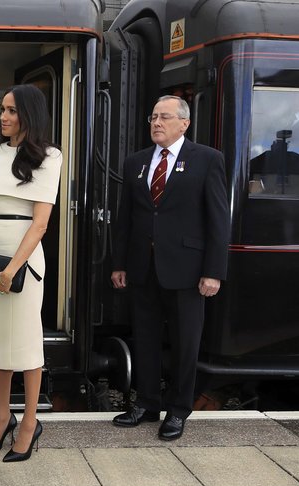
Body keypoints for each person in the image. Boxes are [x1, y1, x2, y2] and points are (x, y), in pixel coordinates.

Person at [111, 95, 229, 440]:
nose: (156, 123)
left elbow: (218, 220)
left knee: (185, 342)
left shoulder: (207, 160)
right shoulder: (136, 162)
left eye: (164, 117)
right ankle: (147, 403)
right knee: (144, 338)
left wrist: (214, 271)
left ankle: (178, 410)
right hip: (142, 267)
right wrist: (120, 263)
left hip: (188, 270)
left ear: (184, 123)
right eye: (153, 117)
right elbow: (126, 220)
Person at [0, 84, 62, 462]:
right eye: (2, 109)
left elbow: (40, 224)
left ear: (28, 114)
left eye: (11, 111)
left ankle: (29, 424)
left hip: (22, 257)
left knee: (25, 344)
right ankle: (2, 417)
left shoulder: (49, 156)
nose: (3, 117)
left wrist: (11, 270)